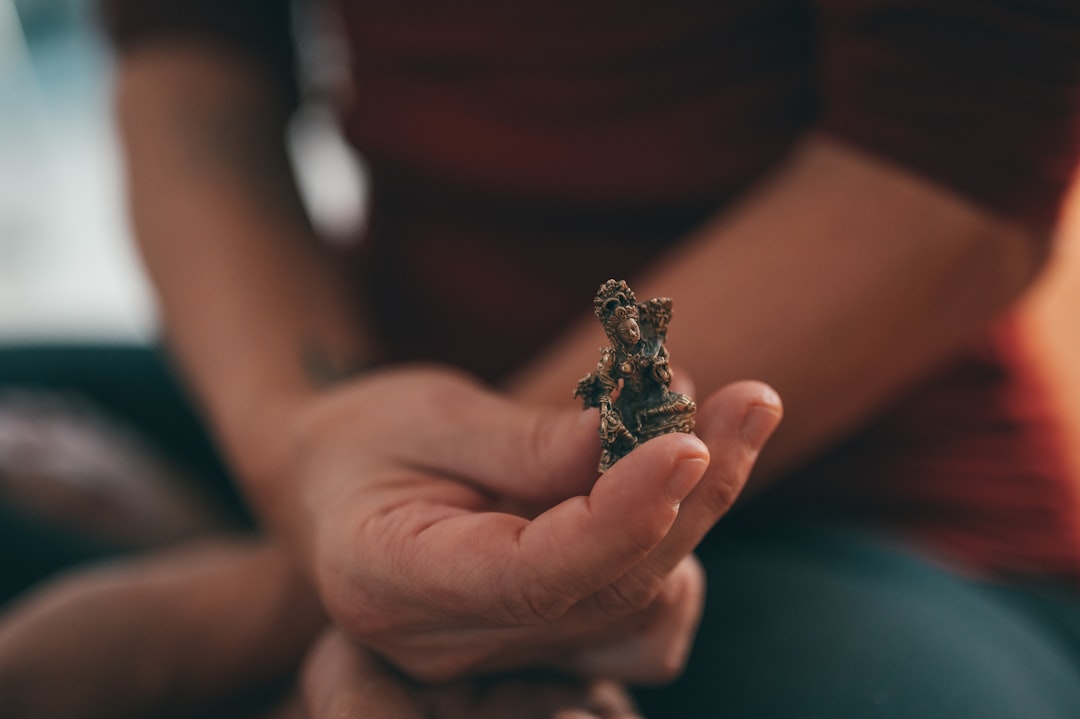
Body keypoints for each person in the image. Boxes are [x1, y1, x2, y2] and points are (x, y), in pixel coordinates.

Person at [2, 0, 1080, 716]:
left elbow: (950, 175)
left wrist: (244, 608)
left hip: (872, 513)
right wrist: (300, 458)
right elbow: (189, 59)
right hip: (362, 396)